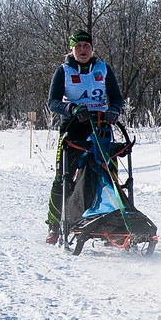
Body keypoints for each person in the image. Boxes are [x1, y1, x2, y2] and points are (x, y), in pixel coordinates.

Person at [45, 28, 125, 243]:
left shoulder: (103, 69)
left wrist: (114, 110)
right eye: (78, 46)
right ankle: (54, 225)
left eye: (86, 46)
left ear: (92, 48)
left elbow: (117, 97)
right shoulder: (63, 71)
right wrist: (71, 109)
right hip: (74, 127)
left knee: (108, 175)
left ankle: (111, 223)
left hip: (100, 126)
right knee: (64, 178)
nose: (83, 49)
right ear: (71, 49)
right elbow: (52, 102)